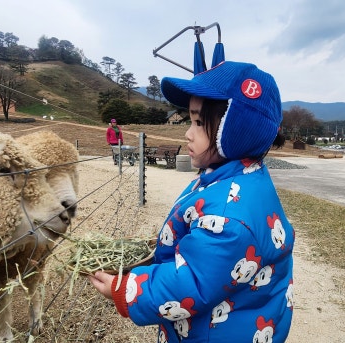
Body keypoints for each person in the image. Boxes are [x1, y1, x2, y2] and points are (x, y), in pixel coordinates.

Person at [89, 61, 295, 342]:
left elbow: (190, 283)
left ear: (235, 131)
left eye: (198, 122)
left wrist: (124, 288)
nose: (188, 132)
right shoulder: (235, 177)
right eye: (190, 120)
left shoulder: (228, 218)